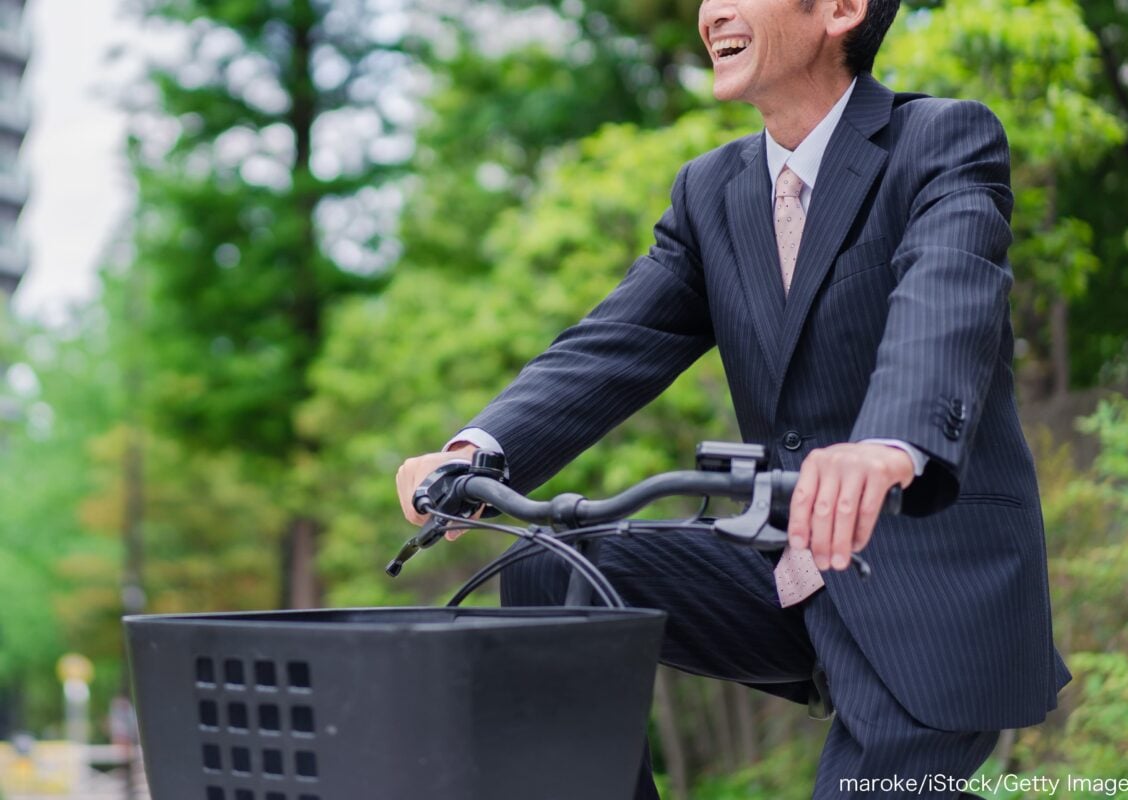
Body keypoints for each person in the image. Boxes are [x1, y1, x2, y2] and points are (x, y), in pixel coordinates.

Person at [396, 0, 1071, 796]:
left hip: (928, 587)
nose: (712, 10)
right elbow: (613, 345)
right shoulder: (711, 192)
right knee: (559, 568)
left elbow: (947, 294)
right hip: (784, 568)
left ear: (843, 10)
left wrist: (887, 444)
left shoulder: (941, 141)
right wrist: (474, 450)